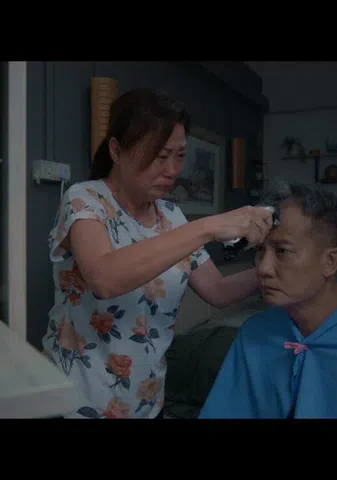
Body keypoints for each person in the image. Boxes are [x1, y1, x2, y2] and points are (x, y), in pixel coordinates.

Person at [41, 88, 274, 419]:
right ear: (117, 150)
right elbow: (104, 279)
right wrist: (209, 227)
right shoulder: (85, 199)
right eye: (160, 156)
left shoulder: (172, 216)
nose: (173, 170)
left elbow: (218, 290)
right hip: (79, 403)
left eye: (179, 156)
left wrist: (277, 266)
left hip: (147, 402)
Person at [198, 182, 337, 419]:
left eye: (282, 251)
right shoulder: (256, 334)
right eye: (260, 251)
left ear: (331, 262)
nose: (263, 269)